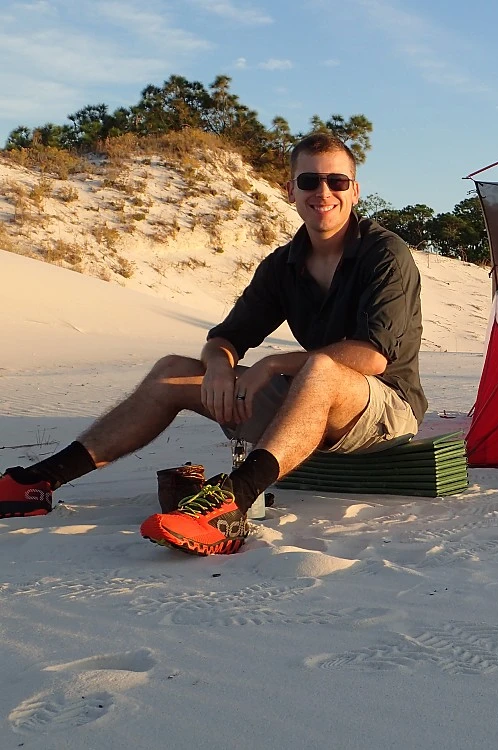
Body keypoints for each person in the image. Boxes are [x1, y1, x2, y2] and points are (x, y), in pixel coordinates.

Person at [0, 132, 427, 555]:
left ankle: (230, 504)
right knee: (172, 371)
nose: (324, 192)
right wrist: (221, 366)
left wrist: (272, 364)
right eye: (309, 181)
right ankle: (38, 482)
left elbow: (372, 356)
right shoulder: (283, 265)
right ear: (290, 191)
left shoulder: (384, 253)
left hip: (386, 409)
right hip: (308, 401)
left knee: (320, 369)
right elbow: (225, 337)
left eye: (337, 181)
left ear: (355, 191)